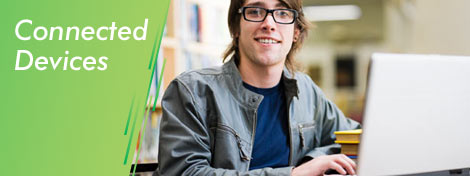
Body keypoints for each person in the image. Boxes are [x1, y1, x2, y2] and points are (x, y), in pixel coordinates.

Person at [155, 0, 361, 175]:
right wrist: (294, 173)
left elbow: (358, 140)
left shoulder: (307, 91)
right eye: (255, 11)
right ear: (235, 28)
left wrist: (314, 160)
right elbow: (183, 171)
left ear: (296, 31)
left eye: (282, 13)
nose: (269, 23)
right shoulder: (192, 91)